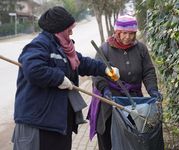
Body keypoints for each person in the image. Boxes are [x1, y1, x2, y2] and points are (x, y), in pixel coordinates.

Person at [11, 6, 119, 150]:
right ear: (59, 29)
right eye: (69, 29)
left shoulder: (64, 48)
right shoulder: (39, 45)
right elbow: (33, 70)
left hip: (58, 124)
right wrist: (59, 78)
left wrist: (106, 69)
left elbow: (83, 63)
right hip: (38, 124)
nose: (72, 32)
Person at [87, 15, 163, 150]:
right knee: (109, 142)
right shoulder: (104, 50)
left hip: (134, 102)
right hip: (110, 104)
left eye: (131, 33)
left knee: (133, 141)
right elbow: (97, 76)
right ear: (117, 32)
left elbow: (148, 72)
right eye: (124, 33)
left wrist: (153, 90)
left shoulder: (141, 49)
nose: (128, 37)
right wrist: (105, 91)